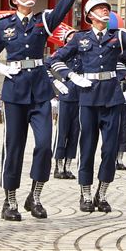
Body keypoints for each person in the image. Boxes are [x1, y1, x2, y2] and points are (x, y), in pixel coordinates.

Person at [0, 0, 99, 221]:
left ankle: (35, 196)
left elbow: (62, 9)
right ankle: (10, 200)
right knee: (13, 147)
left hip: (40, 91)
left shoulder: (43, 22)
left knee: (43, 146)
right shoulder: (4, 25)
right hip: (15, 91)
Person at [46, 0, 126, 213]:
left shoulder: (118, 37)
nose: (105, 11)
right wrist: (70, 76)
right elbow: (54, 59)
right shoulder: (80, 38)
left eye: (107, 8)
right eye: (100, 8)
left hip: (112, 99)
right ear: (90, 16)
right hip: (87, 99)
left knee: (110, 150)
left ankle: (102, 193)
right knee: (87, 148)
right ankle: (85, 193)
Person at [53, 29, 80, 180]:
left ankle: (68, 166)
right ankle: (58, 165)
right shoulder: (61, 54)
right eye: (69, 37)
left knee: (75, 134)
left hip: (81, 96)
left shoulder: (83, 54)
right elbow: (47, 67)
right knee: (62, 132)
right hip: (66, 94)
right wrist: (55, 82)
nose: (72, 39)